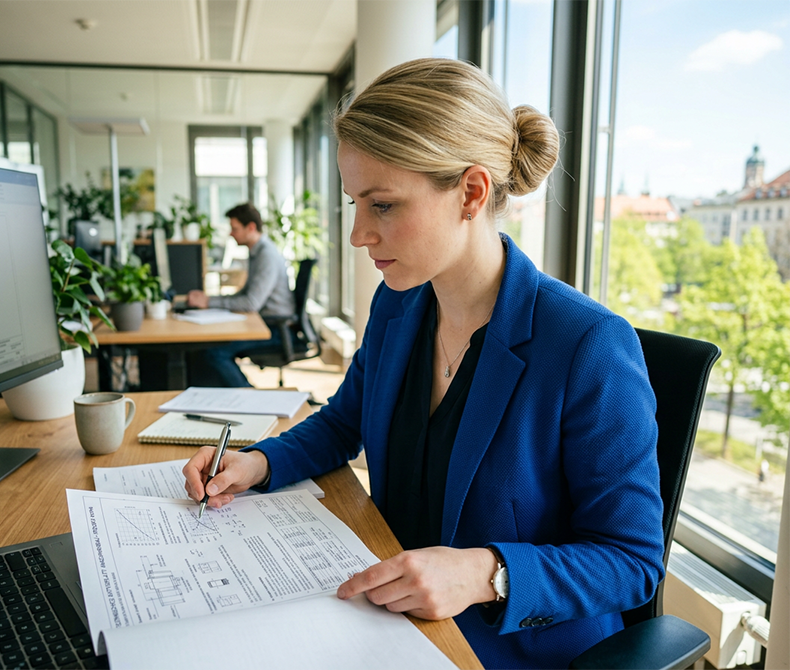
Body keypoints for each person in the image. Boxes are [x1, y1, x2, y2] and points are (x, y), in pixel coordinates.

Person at [183, 58, 664, 669]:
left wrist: (486, 573)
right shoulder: (399, 305)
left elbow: (632, 560)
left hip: (504, 647)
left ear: (471, 192)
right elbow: (342, 423)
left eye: (382, 205)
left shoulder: (588, 344)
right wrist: (258, 462)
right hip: (383, 617)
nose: (359, 234)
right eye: (356, 203)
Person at [184, 202, 294, 387]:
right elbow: (244, 294)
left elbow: (251, 303)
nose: (230, 233)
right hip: (263, 322)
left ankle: (248, 395)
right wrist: (210, 301)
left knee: (214, 353)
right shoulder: (257, 252)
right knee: (210, 345)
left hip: (274, 329)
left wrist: (209, 302)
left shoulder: (266, 255)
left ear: (251, 227)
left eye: (234, 228)